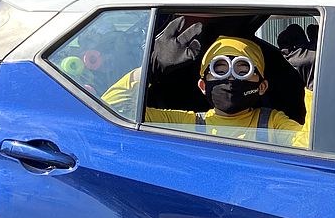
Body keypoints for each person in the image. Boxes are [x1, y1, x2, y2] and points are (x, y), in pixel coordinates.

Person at [103, 35, 308, 148]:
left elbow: (308, 145)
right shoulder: (190, 124)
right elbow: (112, 112)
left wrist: (312, 85)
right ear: (203, 86)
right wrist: (149, 70)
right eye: (219, 70)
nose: (230, 78)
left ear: (262, 86)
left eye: (242, 70)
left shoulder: (272, 123)